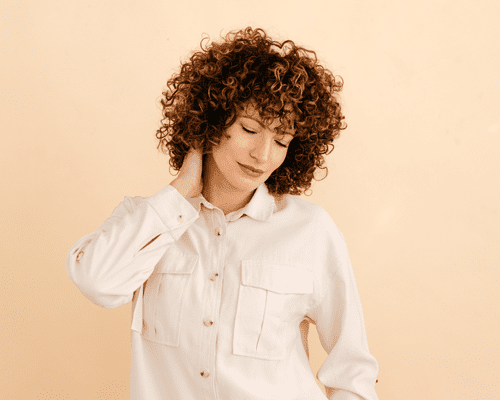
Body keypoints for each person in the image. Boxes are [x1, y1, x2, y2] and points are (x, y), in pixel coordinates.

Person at [66, 27, 379, 400]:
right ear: (212, 124)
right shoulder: (147, 221)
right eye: (250, 129)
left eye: (281, 140)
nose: (263, 155)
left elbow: (353, 370)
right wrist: (180, 193)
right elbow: (98, 282)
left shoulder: (310, 230)